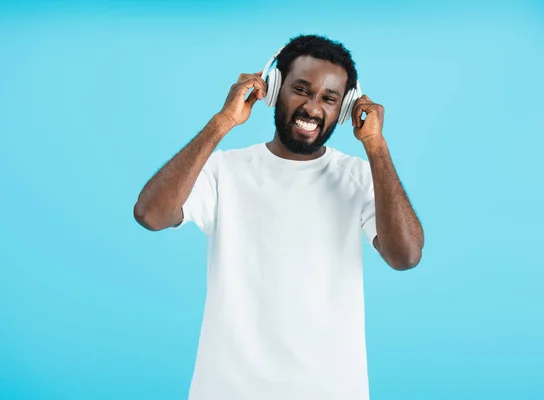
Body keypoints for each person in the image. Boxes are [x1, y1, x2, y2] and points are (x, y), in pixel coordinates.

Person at [133, 34, 424, 400]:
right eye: (301, 89)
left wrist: (376, 147)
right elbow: (151, 214)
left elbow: (406, 255)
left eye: (329, 98)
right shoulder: (226, 171)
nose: (312, 108)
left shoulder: (359, 178)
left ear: (345, 107)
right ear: (273, 89)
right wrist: (223, 122)